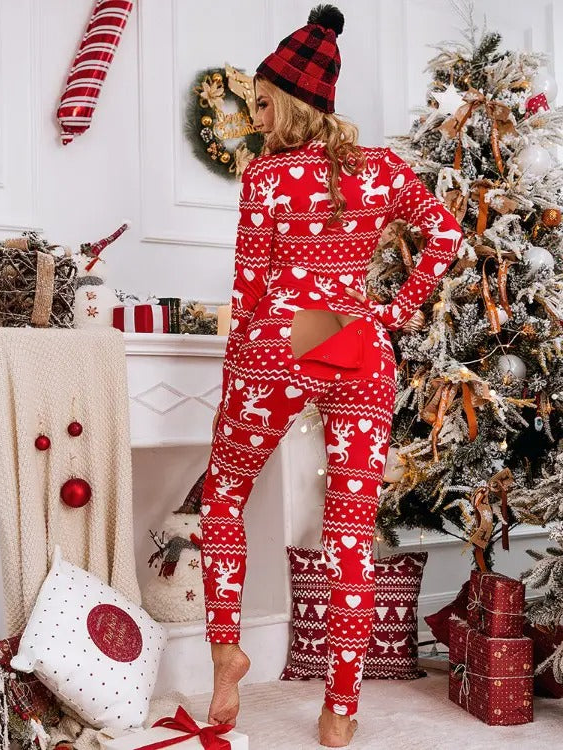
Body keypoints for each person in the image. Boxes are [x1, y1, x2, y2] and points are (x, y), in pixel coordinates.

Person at [199, 4, 464, 747]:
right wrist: (394, 312)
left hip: (281, 338)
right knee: (351, 530)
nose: (256, 118)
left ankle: (226, 652)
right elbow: (445, 233)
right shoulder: (382, 168)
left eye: (262, 104)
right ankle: (340, 710)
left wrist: (237, 375)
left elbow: (250, 286)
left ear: (290, 103)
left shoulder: (267, 176)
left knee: (223, 494)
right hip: (355, 337)